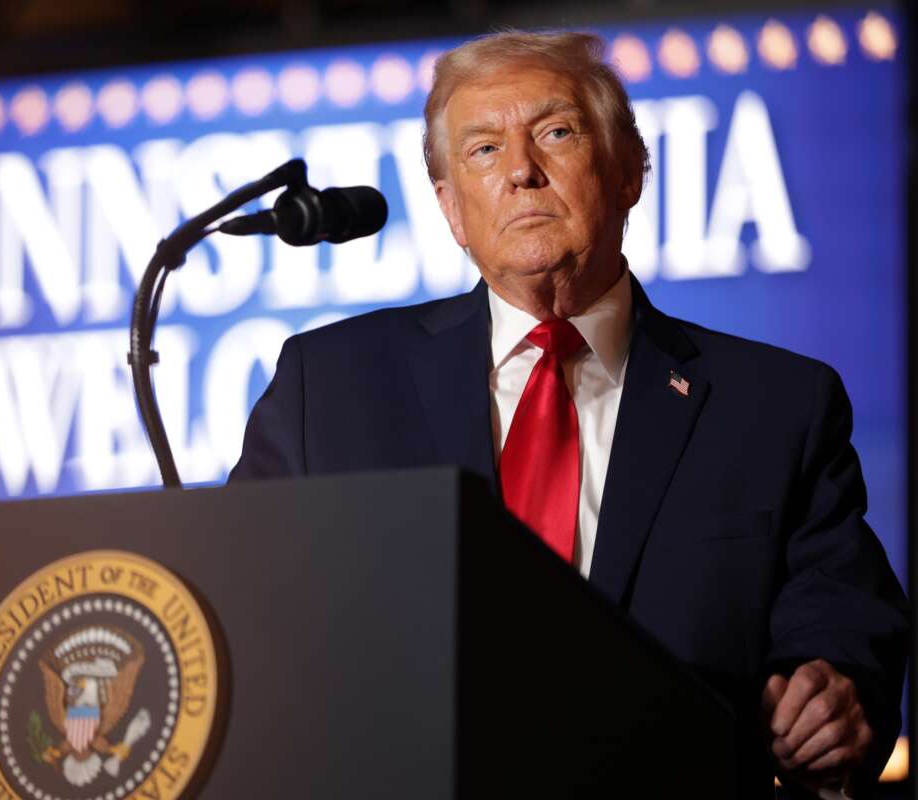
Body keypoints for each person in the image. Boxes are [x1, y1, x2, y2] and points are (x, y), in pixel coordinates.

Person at [227, 30, 907, 798]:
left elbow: (843, 623)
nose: (520, 170)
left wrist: (836, 690)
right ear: (452, 210)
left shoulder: (777, 406)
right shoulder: (331, 385)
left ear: (628, 172)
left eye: (555, 132)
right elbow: (245, 617)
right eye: (483, 150)